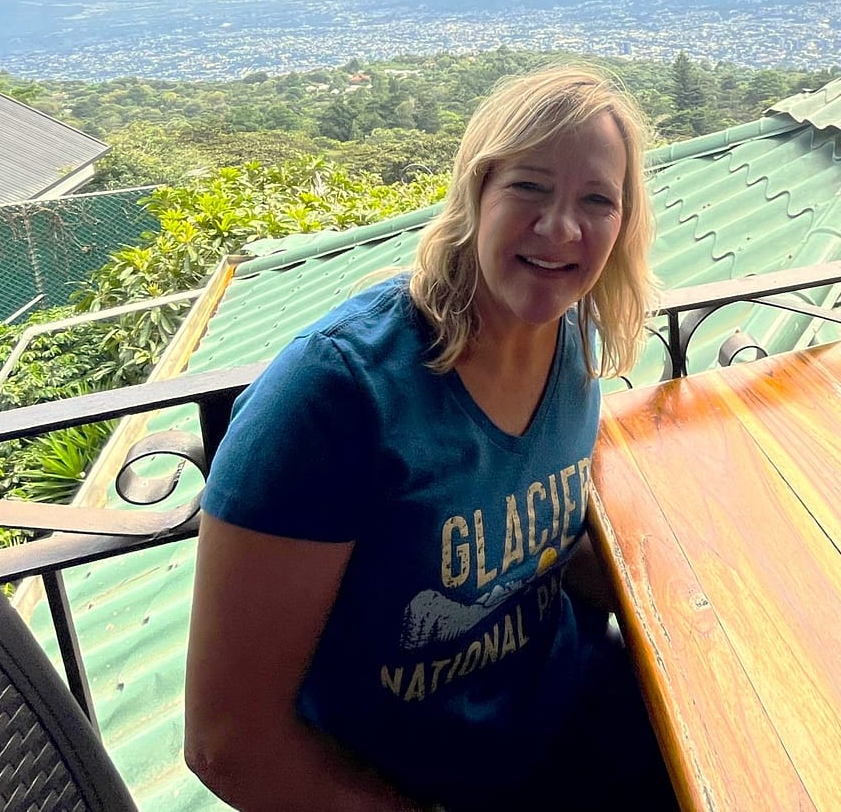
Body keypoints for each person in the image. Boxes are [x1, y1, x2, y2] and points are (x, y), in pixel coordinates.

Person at [184, 66, 674, 811]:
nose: (562, 229)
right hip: (421, 785)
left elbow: (536, 553)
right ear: (476, 192)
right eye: (530, 188)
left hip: (574, 727)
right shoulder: (337, 394)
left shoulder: (569, 334)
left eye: (596, 201)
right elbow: (229, 743)